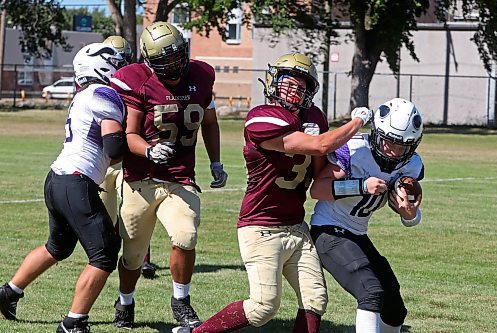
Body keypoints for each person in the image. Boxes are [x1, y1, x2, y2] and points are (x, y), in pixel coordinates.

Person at [172, 52, 373, 333]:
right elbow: (318, 146)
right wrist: (357, 122)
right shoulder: (261, 117)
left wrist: (349, 166)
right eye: (287, 83)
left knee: (315, 299)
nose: (293, 91)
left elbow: (320, 173)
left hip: (295, 226)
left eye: (301, 87)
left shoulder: (313, 117)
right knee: (264, 306)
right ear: (273, 82)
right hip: (260, 225)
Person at [0, 43, 127, 333]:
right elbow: (115, 146)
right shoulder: (104, 94)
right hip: (76, 182)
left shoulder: (85, 95)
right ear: (102, 68)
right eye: (116, 64)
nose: (121, 70)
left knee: (57, 247)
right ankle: (74, 322)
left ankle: (8, 293)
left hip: (57, 178)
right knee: (105, 253)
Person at [109, 21, 228, 329]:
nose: (175, 64)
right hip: (140, 179)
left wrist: (215, 162)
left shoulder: (201, 76)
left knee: (186, 235)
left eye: (178, 56)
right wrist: (148, 150)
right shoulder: (139, 81)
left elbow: (210, 123)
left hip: (179, 177)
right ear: (150, 61)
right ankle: (125, 300)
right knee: (133, 256)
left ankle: (181, 300)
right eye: (166, 60)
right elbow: (130, 133)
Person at [308, 98, 424, 333]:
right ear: (376, 134)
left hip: (357, 234)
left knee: (394, 307)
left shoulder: (410, 165)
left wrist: (410, 214)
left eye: (403, 146)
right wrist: (360, 186)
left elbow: (410, 214)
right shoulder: (354, 150)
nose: (394, 151)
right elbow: (317, 190)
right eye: (389, 142)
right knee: (371, 292)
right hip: (329, 229)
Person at [101, 35, 157, 279]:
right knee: (106, 215)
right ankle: (106, 256)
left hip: (128, 159)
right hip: (103, 160)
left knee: (136, 213)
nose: (120, 65)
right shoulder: (97, 88)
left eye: (124, 60)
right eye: (116, 60)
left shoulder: (135, 84)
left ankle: (142, 259)